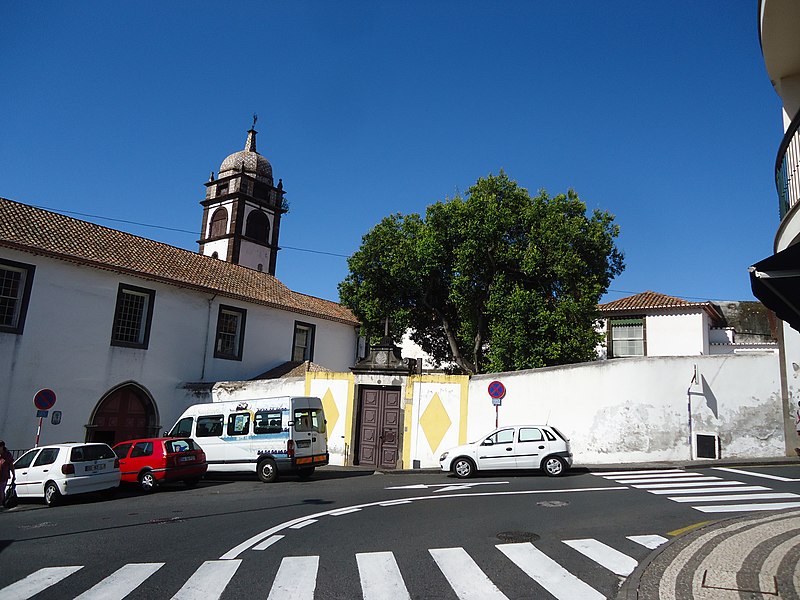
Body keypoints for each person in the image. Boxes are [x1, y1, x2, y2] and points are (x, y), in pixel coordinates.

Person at [0, 440, 14, 508]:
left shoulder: (7, 455)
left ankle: (1, 503)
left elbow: (11, 465)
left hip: (3, 476)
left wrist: (13, 474)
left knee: (1, 490)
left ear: (2, 447)